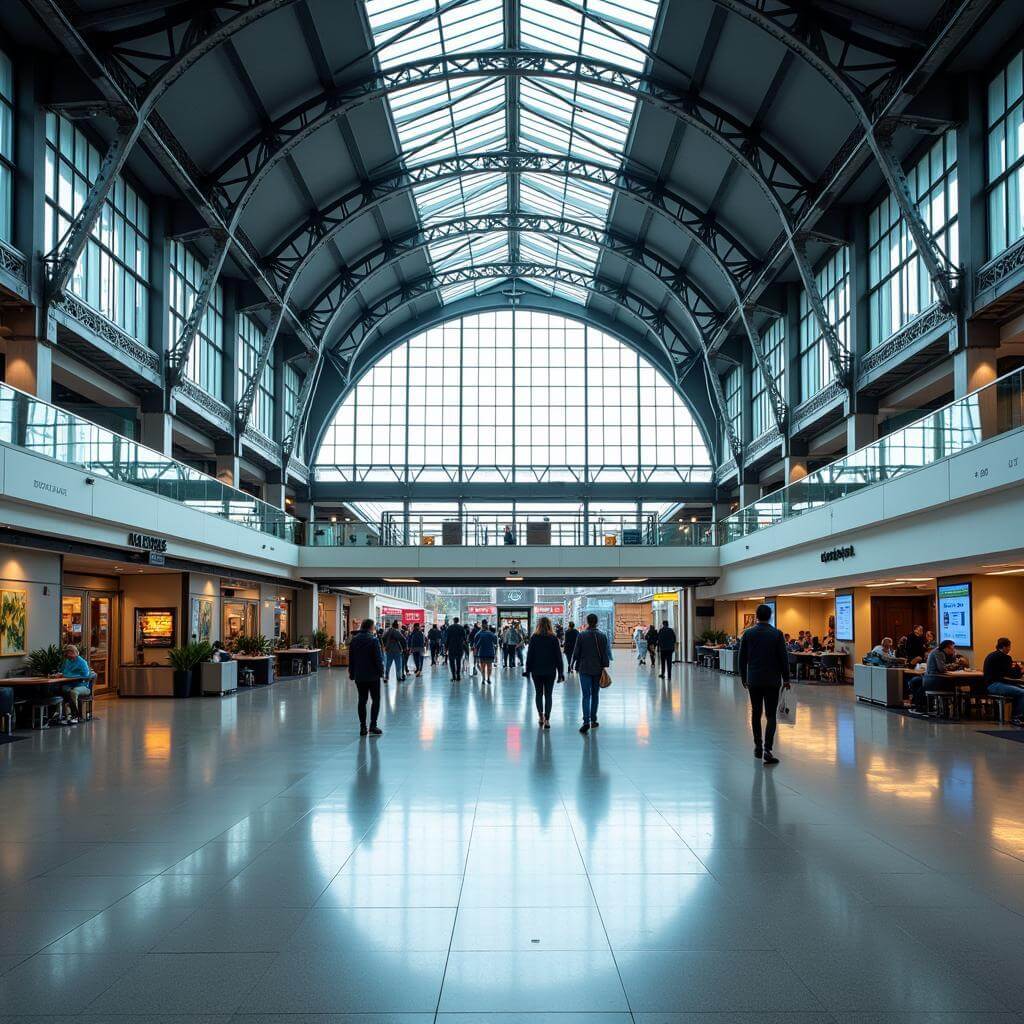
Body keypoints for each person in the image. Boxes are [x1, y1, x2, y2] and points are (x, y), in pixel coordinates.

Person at [737, 604, 790, 765]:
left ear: (756, 616)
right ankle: (768, 748)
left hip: (754, 680)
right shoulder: (777, 634)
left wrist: (744, 677)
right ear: (770, 616)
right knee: (771, 715)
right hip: (772, 680)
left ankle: (757, 746)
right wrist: (786, 678)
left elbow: (742, 658)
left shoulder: (748, 634)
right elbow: (783, 658)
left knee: (756, 712)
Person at [569, 613, 610, 734]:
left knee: (586, 695)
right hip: (597, 669)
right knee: (595, 694)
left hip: (584, 668)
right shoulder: (602, 636)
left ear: (587, 621)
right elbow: (605, 652)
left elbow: (576, 652)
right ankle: (594, 719)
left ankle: (585, 721)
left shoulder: (582, 635)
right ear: (597, 622)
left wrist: (571, 664)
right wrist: (604, 664)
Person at [525, 616, 565, 729]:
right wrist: (561, 672)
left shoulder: (534, 638)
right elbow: (558, 657)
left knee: (538, 694)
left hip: (536, 671)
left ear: (538, 625)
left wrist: (527, 670)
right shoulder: (553, 638)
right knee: (548, 695)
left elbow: (530, 656)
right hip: (550, 670)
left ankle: (540, 717)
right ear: (549, 625)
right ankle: (547, 719)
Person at [348, 618, 384, 736]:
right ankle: (373, 725)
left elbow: (351, 659)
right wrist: (381, 672)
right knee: (376, 699)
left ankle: (363, 727)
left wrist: (352, 672)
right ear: (370, 627)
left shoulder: (354, 640)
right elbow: (378, 659)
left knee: (362, 700)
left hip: (360, 675)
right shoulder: (374, 640)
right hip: (373, 675)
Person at [914, 638, 963, 712]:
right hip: (933, 680)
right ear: (946, 648)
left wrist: (951, 664)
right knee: (957, 686)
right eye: (952, 648)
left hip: (930, 678)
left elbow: (944, 667)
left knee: (957, 685)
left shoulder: (938, 652)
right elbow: (942, 669)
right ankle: (956, 710)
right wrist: (953, 666)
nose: (954, 650)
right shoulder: (939, 653)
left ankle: (950, 709)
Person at [984, 637, 1024, 726]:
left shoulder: (991, 655)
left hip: (989, 685)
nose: (1010, 649)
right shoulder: (1004, 657)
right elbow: (1012, 674)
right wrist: (1021, 670)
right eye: (1009, 647)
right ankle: (1016, 717)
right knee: (1022, 692)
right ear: (1005, 647)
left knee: (1020, 690)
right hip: (995, 685)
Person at [60, 644, 94, 724]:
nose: (69, 656)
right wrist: (61, 674)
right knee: (63, 690)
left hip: (83, 686)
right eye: (68, 654)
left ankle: (75, 716)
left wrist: (66, 675)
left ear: (76, 653)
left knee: (73, 692)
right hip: (70, 684)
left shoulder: (82, 662)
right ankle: (67, 715)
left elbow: (86, 675)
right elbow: (64, 672)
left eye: (71, 654)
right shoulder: (67, 661)